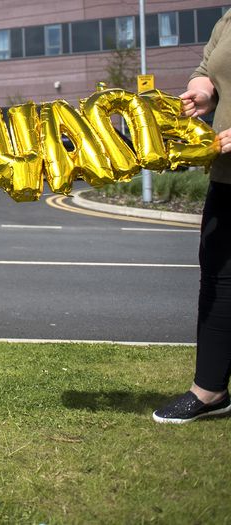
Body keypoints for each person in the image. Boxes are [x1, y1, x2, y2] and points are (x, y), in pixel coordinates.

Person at [152, 10, 231, 423]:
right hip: (227, 176)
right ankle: (211, 390)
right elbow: (207, 71)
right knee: (218, 282)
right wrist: (202, 93)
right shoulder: (228, 20)